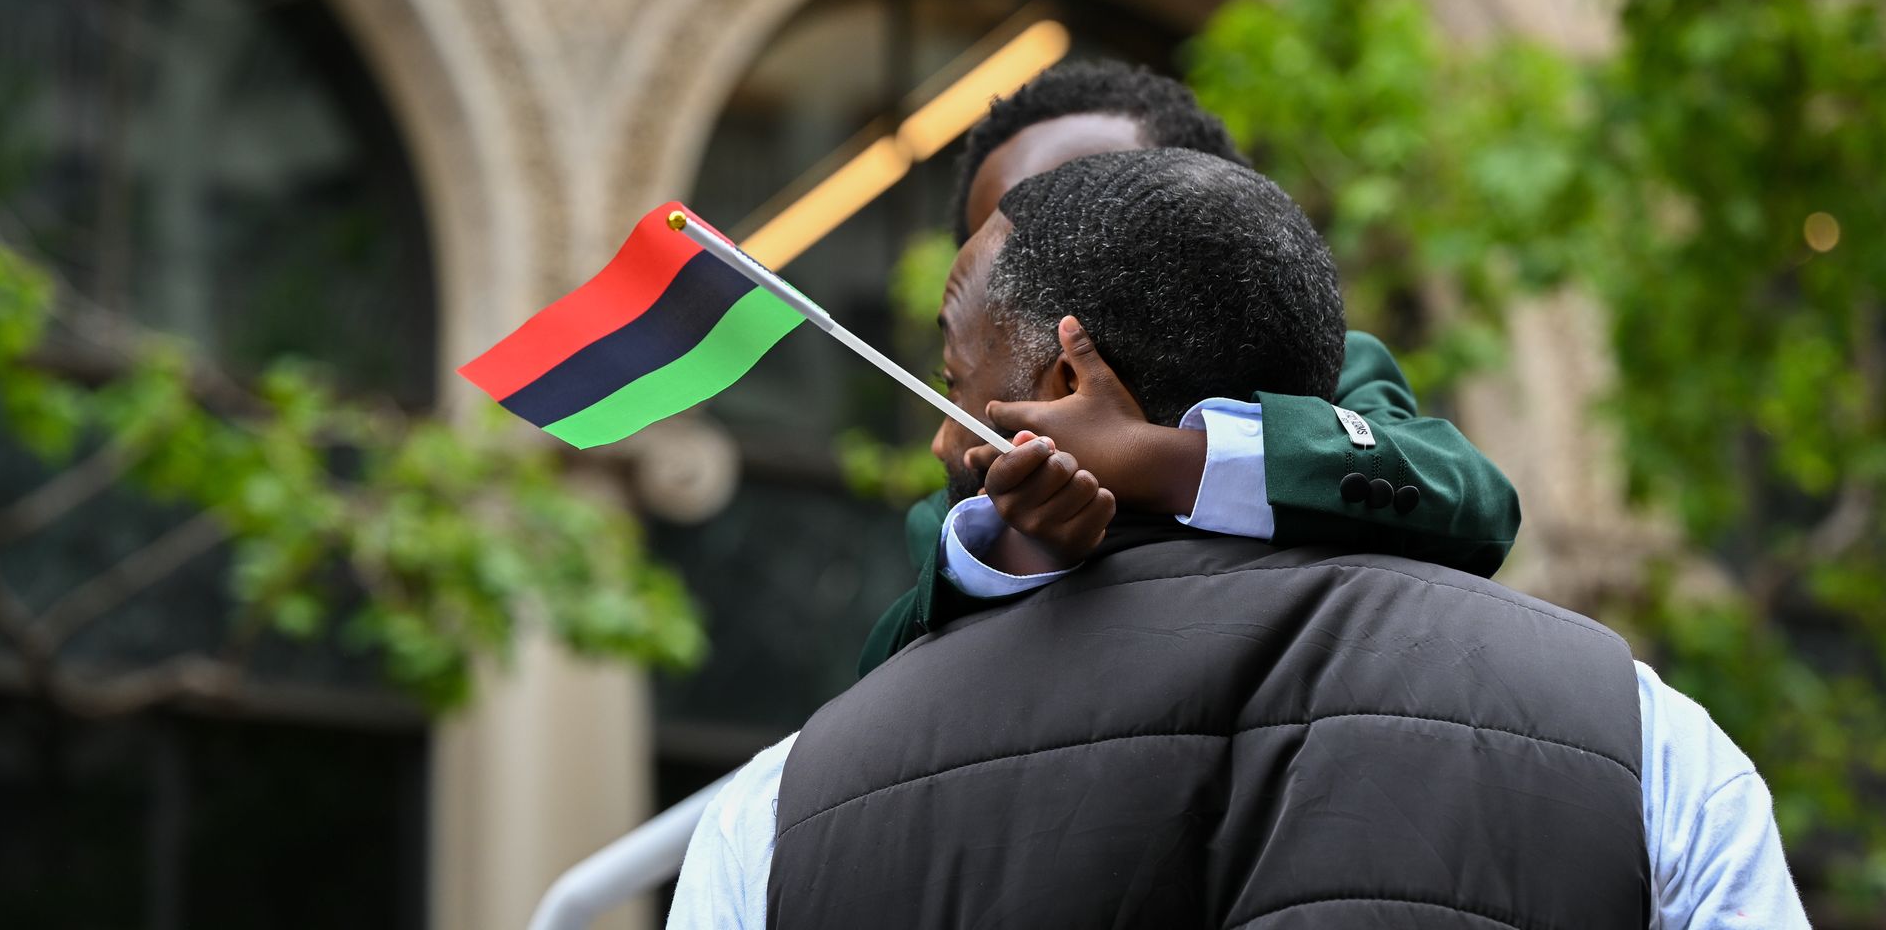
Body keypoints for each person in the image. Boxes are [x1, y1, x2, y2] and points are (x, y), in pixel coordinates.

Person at [669, 149, 1807, 929]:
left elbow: (1466, 491)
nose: (937, 440)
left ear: (1067, 376)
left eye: (955, 379)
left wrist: (1164, 463)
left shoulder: (781, 812)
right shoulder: (1649, 740)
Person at [860, 60, 1518, 677]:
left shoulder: (1337, 369)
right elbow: (884, 672)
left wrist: (1164, 459)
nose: (1074, 238)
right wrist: (1012, 548)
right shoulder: (967, 495)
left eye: (1113, 200)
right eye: (1019, 243)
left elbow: (1468, 498)